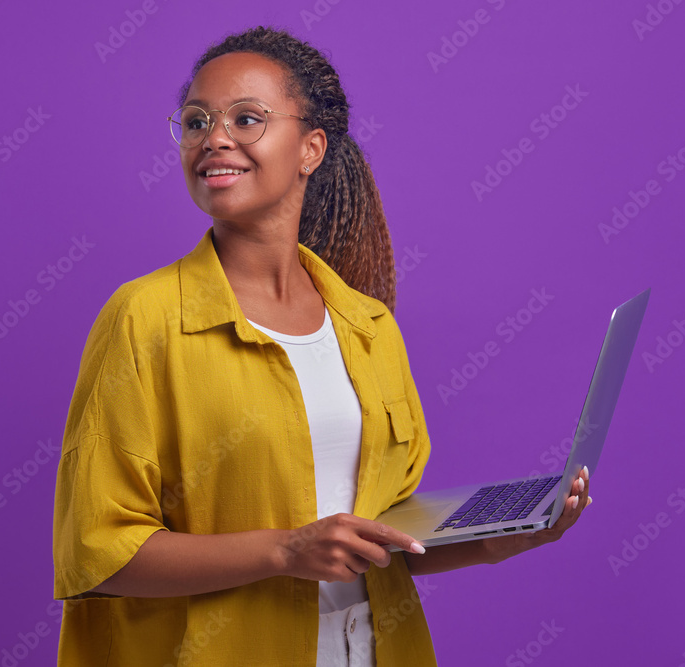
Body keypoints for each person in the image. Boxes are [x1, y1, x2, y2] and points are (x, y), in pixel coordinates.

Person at [51, 25, 592, 667]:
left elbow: (379, 539)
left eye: (246, 118)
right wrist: (283, 550)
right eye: (196, 121)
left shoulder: (367, 327)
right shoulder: (143, 320)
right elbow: (95, 550)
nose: (214, 139)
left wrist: (511, 535)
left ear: (311, 149)